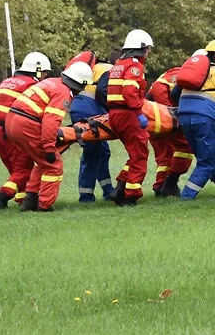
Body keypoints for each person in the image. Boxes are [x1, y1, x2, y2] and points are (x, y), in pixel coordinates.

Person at [3, 60, 93, 212]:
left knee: (42, 162)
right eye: (83, 86)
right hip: (26, 124)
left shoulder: (52, 82)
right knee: (53, 165)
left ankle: (30, 200)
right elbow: (51, 121)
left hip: (12, 122)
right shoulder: (63, 92)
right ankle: (44, 205)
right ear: (78, 83)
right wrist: (50, 147)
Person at [0, 52, 51, 210]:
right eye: (45, 73)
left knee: (14, 168)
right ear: (38, 70)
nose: (45, 76)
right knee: (24, 168)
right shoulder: (32, 85)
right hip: (11, 129)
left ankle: (22, 198)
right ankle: (2, 198)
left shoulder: (7, 82)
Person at [172, 40, 215, 199]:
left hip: (184, 117)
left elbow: (174, 95)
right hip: (204, 118)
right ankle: (187, 196)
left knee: (208, 156)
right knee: (206, 161)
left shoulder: (192, 71)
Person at [106, 29, 154, 207]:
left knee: (134, 154)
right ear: (141, 48)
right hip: (128, 115)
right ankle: (130, 195)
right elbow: (129, 91)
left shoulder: (118, 64)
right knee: (140, 155)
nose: (148, 53)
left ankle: (120, 187)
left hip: (115, 114)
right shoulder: (134, 66)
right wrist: (139, 113)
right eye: (148, 49)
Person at [68, 60, 115, 203]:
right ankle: (86, 196)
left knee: (103, 151)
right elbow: (102, 91)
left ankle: (108, 190)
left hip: (81, 106)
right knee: (93, 153)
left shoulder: (97, 68)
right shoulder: (112, 69)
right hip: (89, 110)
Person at [146, 64, 194, 198]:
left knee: (165, 155)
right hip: (158, 118)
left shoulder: (180, 72)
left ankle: (161, 186)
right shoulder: (181, 74)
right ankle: (170, 184)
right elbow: (158, 88)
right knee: (185, 149)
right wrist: (169, 114)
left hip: (151, 119)